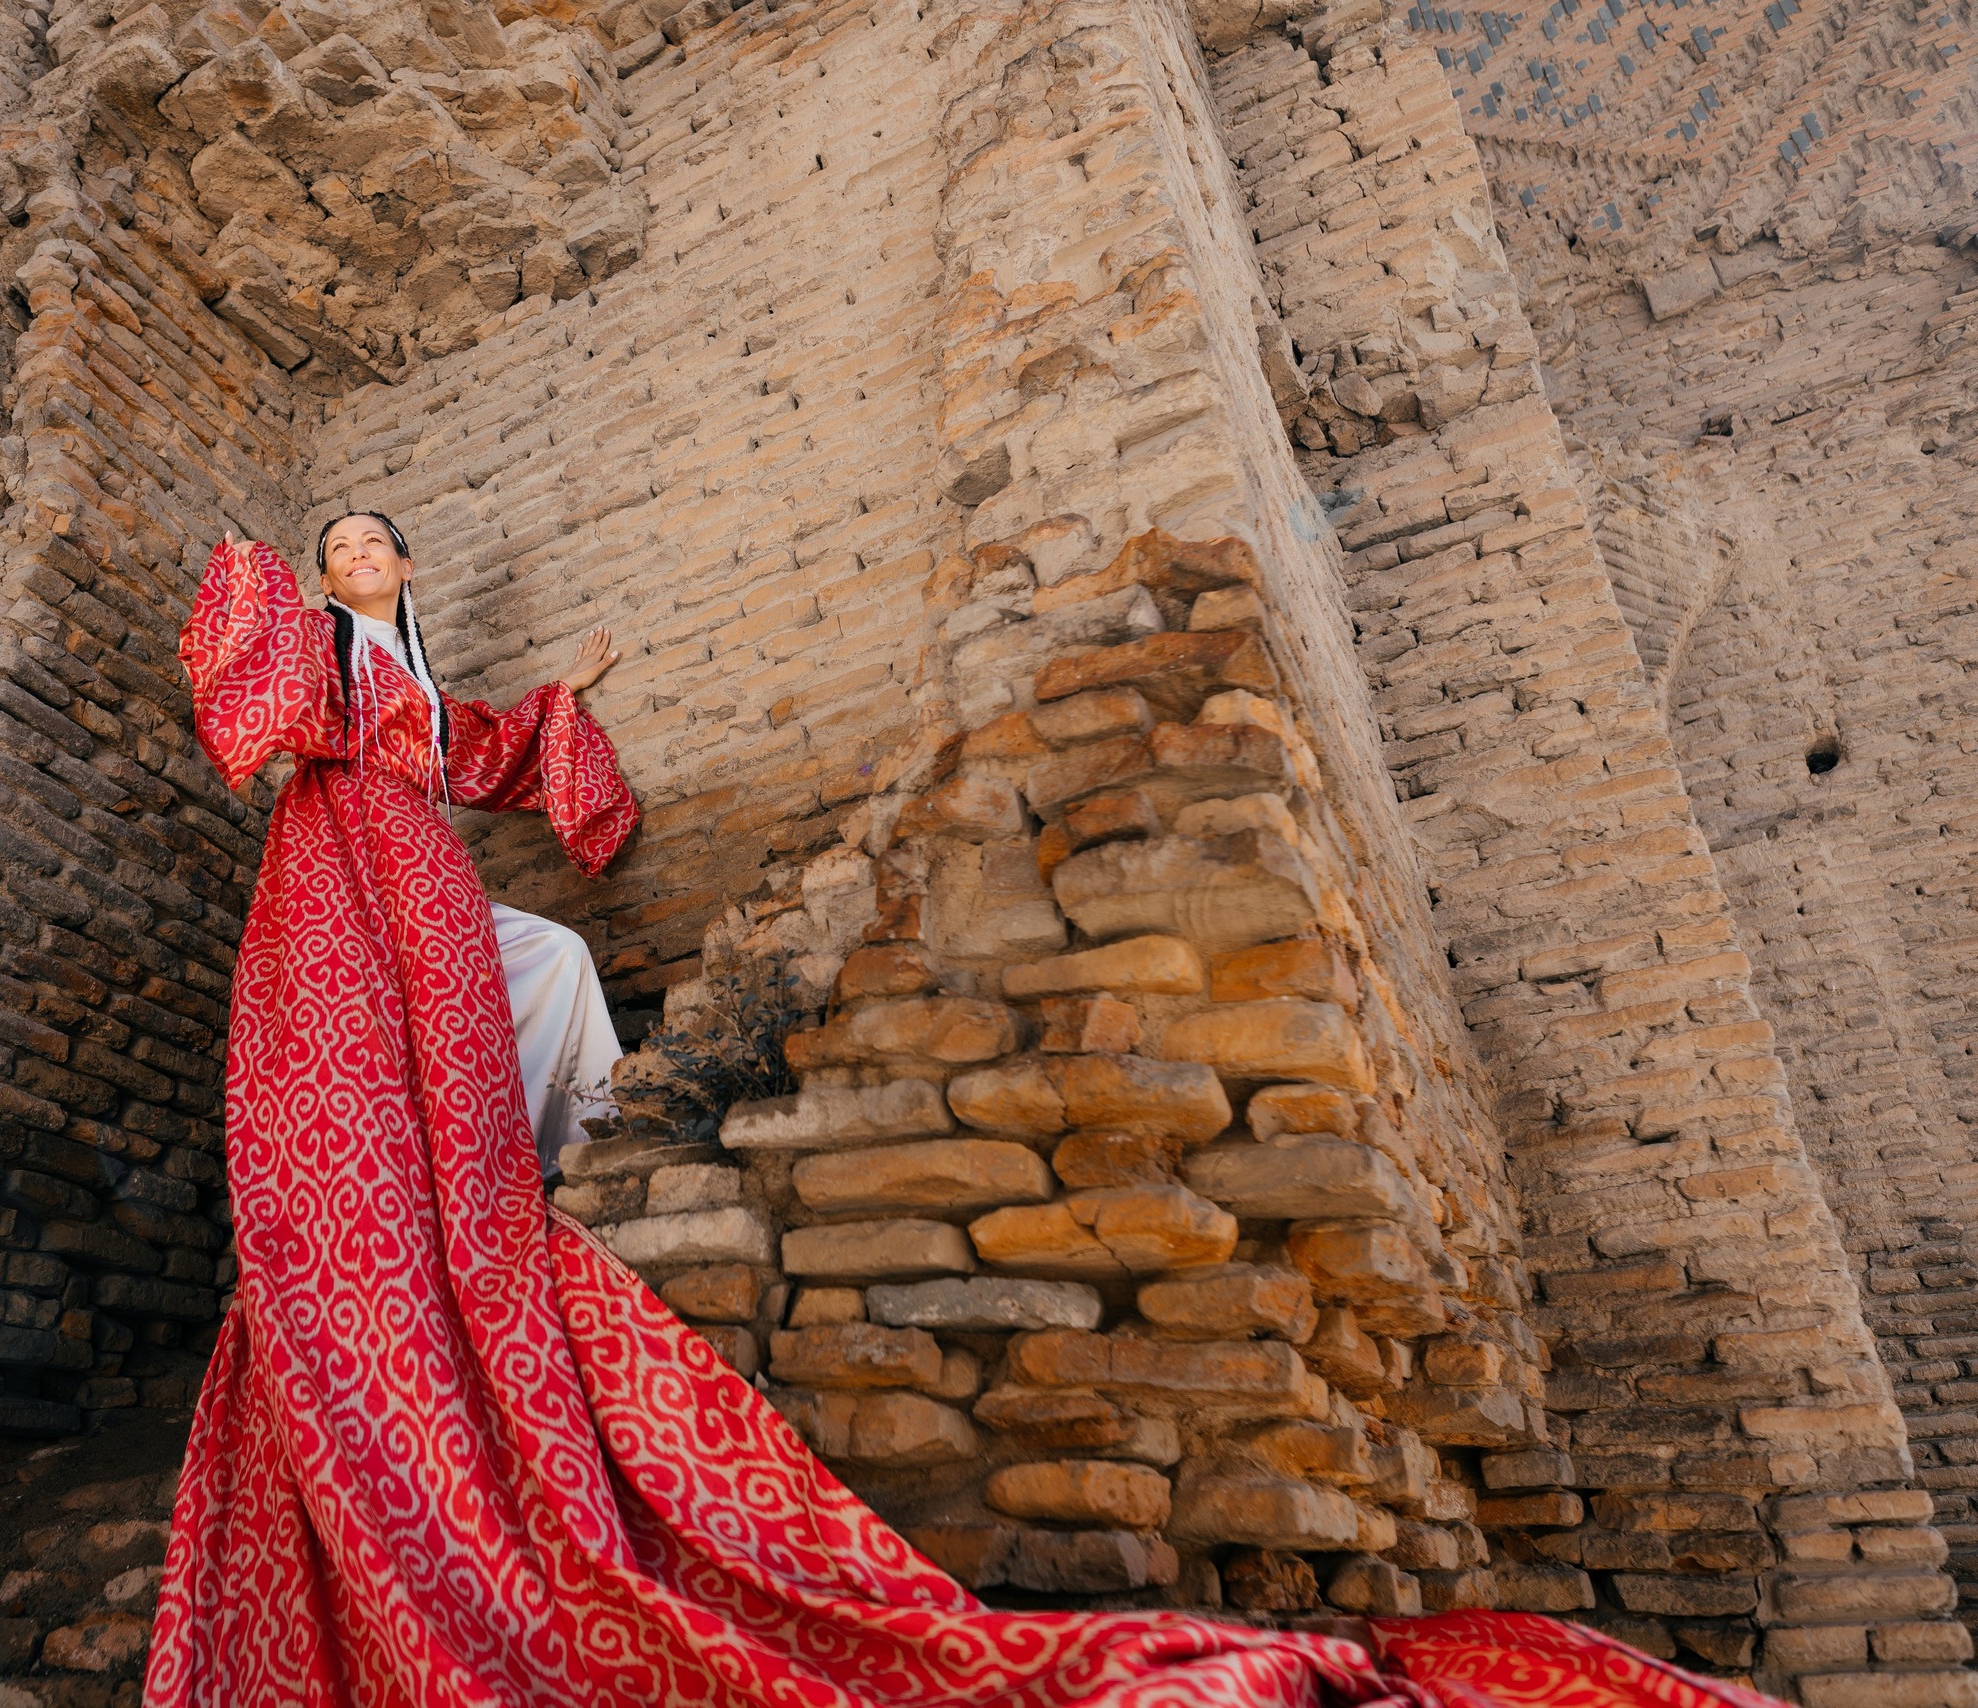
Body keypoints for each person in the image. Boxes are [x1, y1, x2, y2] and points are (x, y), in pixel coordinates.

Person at [144, 518, 1776, 1708]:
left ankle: (521, 1171)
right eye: (335, 545)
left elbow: (499, 754)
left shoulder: (420, 677)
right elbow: (262, 709)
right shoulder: (323, 656)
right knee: (391, 1012)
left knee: (553, 963)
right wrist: (257, 590)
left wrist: (569, 694)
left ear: (406, 565)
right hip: (338, 865)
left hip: (427, 868)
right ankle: (391, 1188)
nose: (353, 554)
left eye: (371, 543)